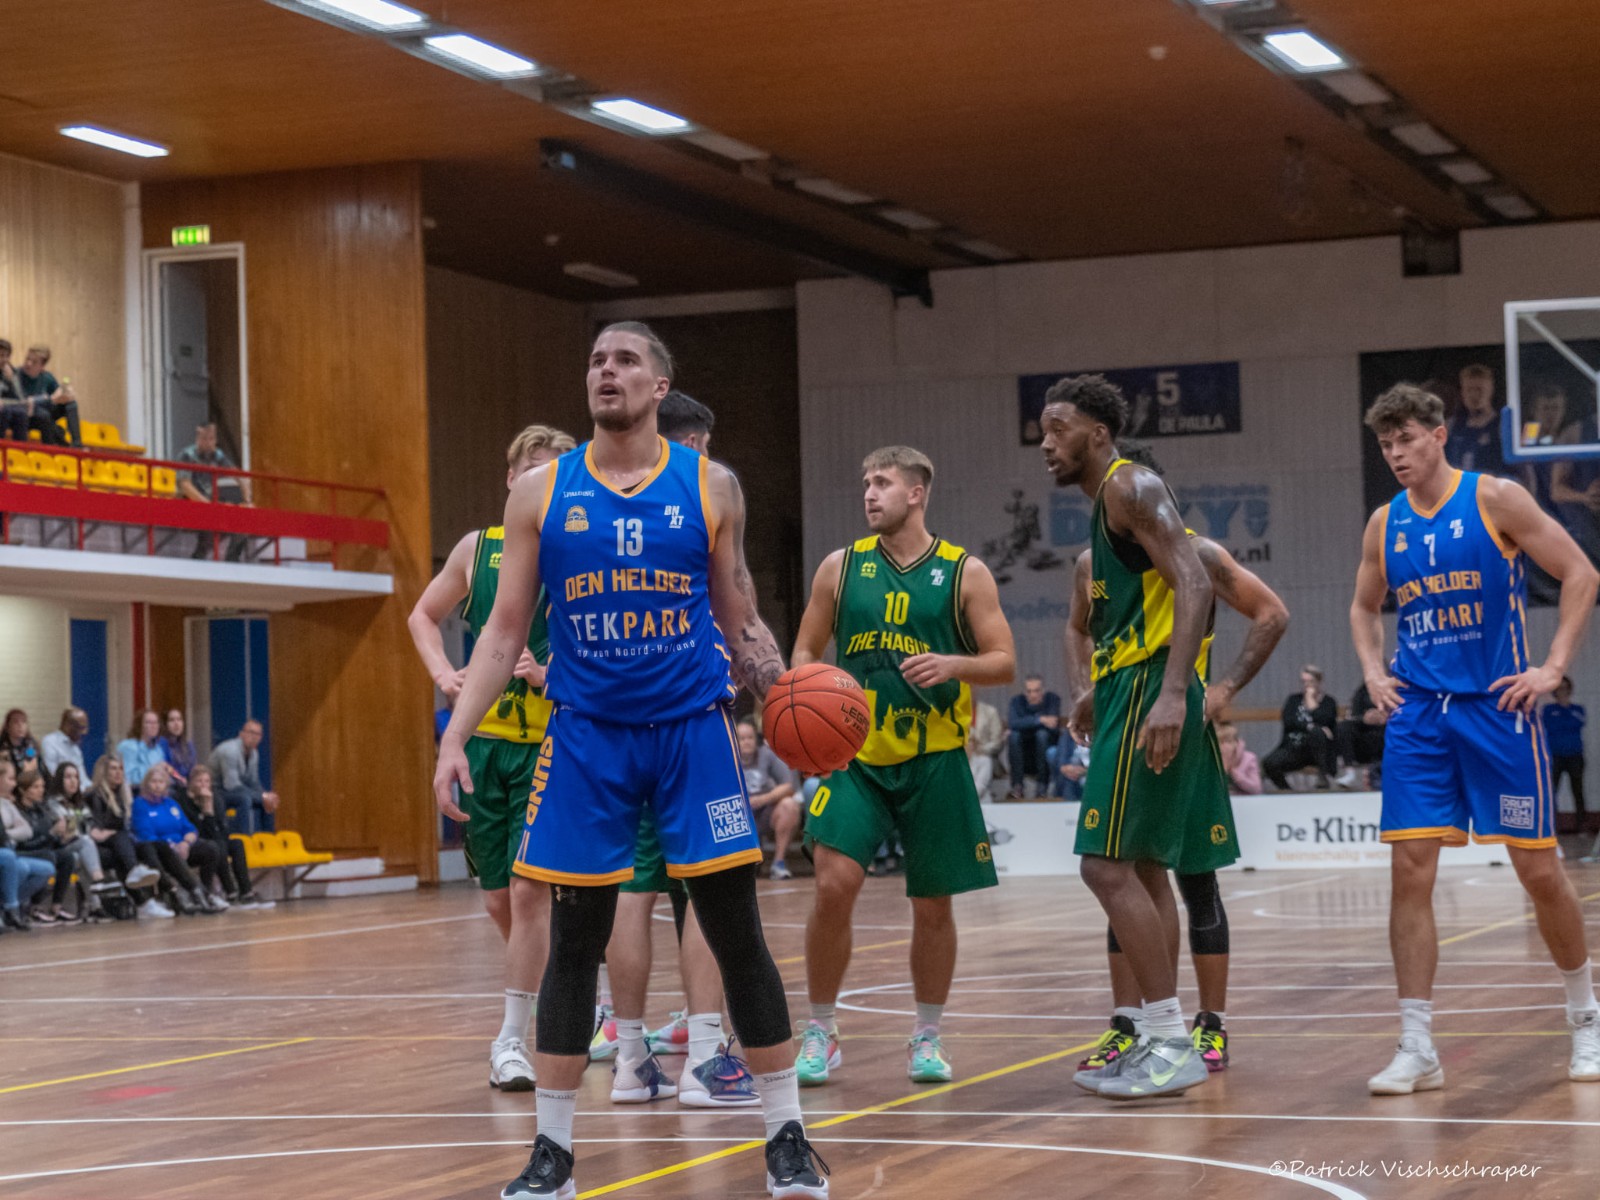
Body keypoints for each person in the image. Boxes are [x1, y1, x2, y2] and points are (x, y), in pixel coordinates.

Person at [434, 321, 829, 1199]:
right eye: (595, 361)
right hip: (587, 737)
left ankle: (787, 1138)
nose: (605, 371)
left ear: (659, 386)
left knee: (736, 932)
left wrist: (787, 706)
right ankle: (552, 1154)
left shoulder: (710, 485)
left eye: (624, 361)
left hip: (692, 732)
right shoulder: (540, 493)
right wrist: (455, 734)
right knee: (574, 941)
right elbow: (501, 632)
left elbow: (741, 618)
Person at [1352, 381, 1600, 1094]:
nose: (1396, 453)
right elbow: (1363, 607)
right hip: (1419, 716)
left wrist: (1552, 667)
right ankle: (1417, 1045)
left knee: (1539, 872)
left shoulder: (1494, 499)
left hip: (1497, 710)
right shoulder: (1384, 523)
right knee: (1410, 873)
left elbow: (1581, 573)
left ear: (1438, 435)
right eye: (1385, 444)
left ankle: (1585, 1017)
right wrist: (1372, 671)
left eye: (1405, 439)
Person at [791, 444, 1016, 1089]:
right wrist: (811, 696)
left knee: (933, 904)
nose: (869, 493)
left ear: (917, 493)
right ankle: (821, 1028)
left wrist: (954, 664)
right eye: (866, 482)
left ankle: (926, 1034)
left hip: (935, 756)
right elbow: (805, 649)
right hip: (855, 756)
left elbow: (1003, 661)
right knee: (833, 884)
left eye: (883, 483)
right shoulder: (841, 567)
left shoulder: (964, 572)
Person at [1069, 491, 1288, 1081]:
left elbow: (1272, 613)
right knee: (1123, 870)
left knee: (1195, 880)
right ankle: (1131, 1024)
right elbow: (1077, 629)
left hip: (1182, 729)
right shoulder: (1093, 564)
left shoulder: (1200, 555)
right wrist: (1086, 688)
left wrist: (1225, 689)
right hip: (1124, 722)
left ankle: (1209, 1023)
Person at [1042, 373, 1219, 1099]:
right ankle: (1156, 1036)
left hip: (1152, 687)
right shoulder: (1104, 509)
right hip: (1127, 687)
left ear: (1099, 433)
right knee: (1143, 870)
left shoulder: (1128, 484)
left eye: (1058, 429)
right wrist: (1094, 689)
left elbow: (1196, 583)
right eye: (1043, 432)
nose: (1046, 444)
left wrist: (1172, 693)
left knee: (1103, 867)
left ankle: (1172, 1041)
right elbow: (1098, 623)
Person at [587, 391, 756, 1114]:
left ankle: (631, 1061)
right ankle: (707, 1058)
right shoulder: (702, 494)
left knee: (632, 889)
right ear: (690, 443)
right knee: (712, 889)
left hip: (610, 730)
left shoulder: (585, 505)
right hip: (689, 726)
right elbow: (739, 613)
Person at [408, 423, 574, 1094]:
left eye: (554, 472)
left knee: (533, 891)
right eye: (532, 469)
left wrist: (547, 674)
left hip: (552, 743)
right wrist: (443, 675)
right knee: (500, 898)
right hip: (483, 745)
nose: (540, 481)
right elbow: (422, 615)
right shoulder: (478, 550)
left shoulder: (579, 554)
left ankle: (511, 1038)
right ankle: (565, 987)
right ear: (511, 479)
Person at [132, 762, 226, 914]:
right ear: (146, 784)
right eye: (153, 781)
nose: (157, 786)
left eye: (161, 782)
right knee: (168, 852)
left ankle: (206, 891)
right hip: (160, 851)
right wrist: (173, 846)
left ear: (166, 785)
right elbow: (146, 834)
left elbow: (189, 829)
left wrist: (186, 842)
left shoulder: (171, 804)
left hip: (182, 846)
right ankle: (196, 894)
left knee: (211, 848)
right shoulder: (140, 804)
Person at [88, 754, 167, 917]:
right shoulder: (94, 795)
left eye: (121, 769)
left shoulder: (121, 794)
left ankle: (156, 896)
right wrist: (109, 832)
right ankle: (144, 898)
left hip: (118, 843)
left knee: (147, 846)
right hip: (98, 846)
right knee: (121, 847)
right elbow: (96, 828)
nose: (118, 773)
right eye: (113, 769)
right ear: (103, 772)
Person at [180, 763, 264, 907]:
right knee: (218, 845)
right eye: (199, 781)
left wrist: (209, 808)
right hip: (197, 841)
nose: (203, 785)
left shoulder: (215, 798)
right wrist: (206, 811)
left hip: (215, 837)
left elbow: (222, 828)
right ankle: (230, 892)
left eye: (207, 781)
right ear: (191, 782)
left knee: (237, 844)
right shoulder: (183, 801)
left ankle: (246, 892)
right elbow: (197, 830)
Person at [177, 422, 248, 560]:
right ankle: (199, 556)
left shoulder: (218, 455)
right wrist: (207, 504)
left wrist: (247, 500)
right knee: (211, 524)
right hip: (191, 501)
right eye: (204, 438)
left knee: (243, 518)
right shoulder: (187, 455)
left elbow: (239, 477)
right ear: (198, 438)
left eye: (212, 439)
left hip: (213, 501)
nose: (209, 443)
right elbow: (185, 485)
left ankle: (232, 558)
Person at [740, 719, 799, 880]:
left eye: (750, 737)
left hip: (765, 811)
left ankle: (778, 863)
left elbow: (789, 786)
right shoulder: (726, 758)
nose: (746, 742)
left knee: (789, 805)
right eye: (742, 738)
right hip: (739, 816)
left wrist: (764, 799)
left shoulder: (767, 754)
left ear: (756, 739)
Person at [1261, 666, 1337, 789]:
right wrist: (1310, 726)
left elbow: (1326, 720)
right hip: (1294, 747)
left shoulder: (1328, 702)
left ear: (1319, 682)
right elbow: (1289, 721)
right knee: (1269, 763)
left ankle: (1323, 777)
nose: (1306, 685)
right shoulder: (1293, 700)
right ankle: (1286, 791)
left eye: (1310, 681)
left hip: (1318, 750)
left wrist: (1311, 701)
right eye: (1303, 681)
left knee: (1317, 733)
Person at [0, 762, 54, 929]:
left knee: (46, 868)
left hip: (8, 849)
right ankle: (12, 909)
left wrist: (7, 833)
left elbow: (27, 830)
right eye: (10, 779)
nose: (14, 784)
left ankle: (5, 907)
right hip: (7, 852)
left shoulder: (7, 804)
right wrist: (10, 833)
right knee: (13, 861)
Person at [210, 719, 279, 834]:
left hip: (234, 790)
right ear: (241, 734)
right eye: (251, 732)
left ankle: (267, 837)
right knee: (244, 799)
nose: (254, 737)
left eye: (258, 734)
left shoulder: (254, 754)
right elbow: (231, 785)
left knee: (268, 801)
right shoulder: (229, 751)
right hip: (216, 791)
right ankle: (241, 837)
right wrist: (262, 796)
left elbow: (253, 783)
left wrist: (266, 796)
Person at [1443, 362, 1506, 478]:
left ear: (1490, 390)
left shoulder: (1502, 426)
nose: (1474, 395)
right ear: (1462, 392)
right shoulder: (1451, 425)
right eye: (1469, 390)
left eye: (1479, 390)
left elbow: (1523, 469)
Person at [1544, 677, 1588, 834]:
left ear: (1570, 690)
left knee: (1578, 791)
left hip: (1575, 756)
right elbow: (1551, 726)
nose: (1562, 691)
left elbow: (1578, 724)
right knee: (1551, 792)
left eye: (1565, 688)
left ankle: (1582, 826)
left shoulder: (1578, 709)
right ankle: (1551, 828)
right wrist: (1565, 720)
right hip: (1555, 757)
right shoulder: (1548, 710)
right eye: (1559, 688)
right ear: (1554, 692)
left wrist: (1564, 716)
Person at [1005, 675, 1059, 798]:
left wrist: (1027, 722)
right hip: (1024, 751)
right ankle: (1017, 786)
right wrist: (1040, 720)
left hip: (1045, 748)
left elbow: (1053, 724)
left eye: (1036, 691)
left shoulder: (1052, 699)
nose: (1033, 695)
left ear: (1043, 690)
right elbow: (1013, 723)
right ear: (1024, 692)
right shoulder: (1016, 701)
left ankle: (1042, 786)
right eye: (1029, 691)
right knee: (1014, 736)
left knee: (1042, 735)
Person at [15, 345, 81, 446]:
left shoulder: (47, 377)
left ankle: (77, 444)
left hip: (45, 412)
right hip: (27, 415)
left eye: (34, 362)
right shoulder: (16, 375)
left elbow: (57, 394)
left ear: (42, 367)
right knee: (45, 416)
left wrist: (66, 395)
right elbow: (23, 402)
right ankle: (54, 442)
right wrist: (50, 400)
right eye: (27, 359)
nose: (28, 363)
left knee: (71, 404)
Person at [1333, 683, 1387, 790]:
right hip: (1364, 739)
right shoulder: (1362, 692)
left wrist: (1386, 717)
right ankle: (1350, 773)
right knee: (1344, 727)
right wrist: (1365, 718)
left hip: (1386, 736)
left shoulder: (1394, 690)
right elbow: (1354, 715)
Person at [117, 709, 168, 788]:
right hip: (135, 790)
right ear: (140, 725)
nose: (153, 726)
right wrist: (154, 769)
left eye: (156, 722)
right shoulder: (128, 746)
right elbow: (128, 778)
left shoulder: (158, 750)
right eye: (148, 722)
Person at [966, 698, 1003, 797]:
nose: (969, 744)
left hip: (979, 800)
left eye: (971, 741)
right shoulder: (955, 761)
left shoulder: (984, 760)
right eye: (967, 742)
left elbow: (980, 786)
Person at [41, 707, 89, 778]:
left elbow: (82, 777)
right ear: (68, 726)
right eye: (81, 728)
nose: (84, 733)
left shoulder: (75, 748)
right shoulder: (50, 742)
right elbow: (53, 775)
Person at [160, 708, 198, 793]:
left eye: (179, 719)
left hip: (186, 785)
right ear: (166, 724)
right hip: (170, 785)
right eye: (172, 720)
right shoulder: (162, 744)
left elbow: (193, 768)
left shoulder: (188, 745)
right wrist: (180, 779)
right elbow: (165, 768)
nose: (176, 723)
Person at [1217, 724, 1261, 795]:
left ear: (1236, 742)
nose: (1224, 746)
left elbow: (1256, 789)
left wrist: (1235, 775)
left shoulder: (1249, 759)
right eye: (1221, 742)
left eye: (1228, 741)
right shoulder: (1211, 759)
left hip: (1244, 798)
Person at [1, 708, 41, 774]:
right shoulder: (2, 746)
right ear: (7, 727)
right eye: (15, 722)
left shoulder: (30, 744)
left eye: (24, 722)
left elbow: (33, 764)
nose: (20, 725)